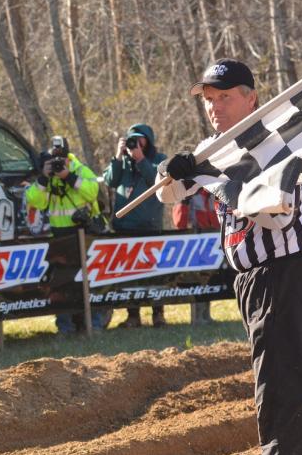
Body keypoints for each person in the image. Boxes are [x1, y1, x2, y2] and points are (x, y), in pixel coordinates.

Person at [159, 58, 302, 455]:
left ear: (251, 98)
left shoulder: (278, 142)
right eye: (209, 100)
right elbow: (168, 193)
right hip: (258, 278)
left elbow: (277, 216)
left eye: (225, 97)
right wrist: (175, 169)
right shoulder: (214, 148)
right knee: (294, 380)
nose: (215, 108)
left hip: (285, 270)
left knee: (282, 389)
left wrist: (230, 184)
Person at [25, 138, 107, 333]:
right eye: (55, 158)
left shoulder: (80, 170)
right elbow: (34, 200)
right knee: (61, 283)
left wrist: (68, 176)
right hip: (60, 237)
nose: (58, 162)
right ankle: (65, 327)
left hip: (83, 234)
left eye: (61, 158)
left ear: (68, 156)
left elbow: (92, 191)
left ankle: (94, 323)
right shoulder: (49, 175)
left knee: (89, 281)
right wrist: (45, 177)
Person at [104, 123, 167, 328]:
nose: (136, 143)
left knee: (155, 273)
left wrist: (141, 160)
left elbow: (158, 182)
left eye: (141, 139)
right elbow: (110, 181)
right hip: (125, 227)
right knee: (129, 275)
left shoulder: (159, 160)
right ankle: (133, 315)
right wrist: (118, 156)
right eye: (133, 139)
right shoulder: (122, 162)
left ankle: (158, 314)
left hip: (150, 226)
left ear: (148, 141)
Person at [171, 187, 219, 324]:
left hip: (212, 239)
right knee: (196, 280)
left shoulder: (213, 193)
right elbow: (179, 223)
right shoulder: (187, 193)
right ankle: (196, 317)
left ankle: (206, 314)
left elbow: (217, 219)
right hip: (195, 239)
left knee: (209, 278)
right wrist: (183, 203)